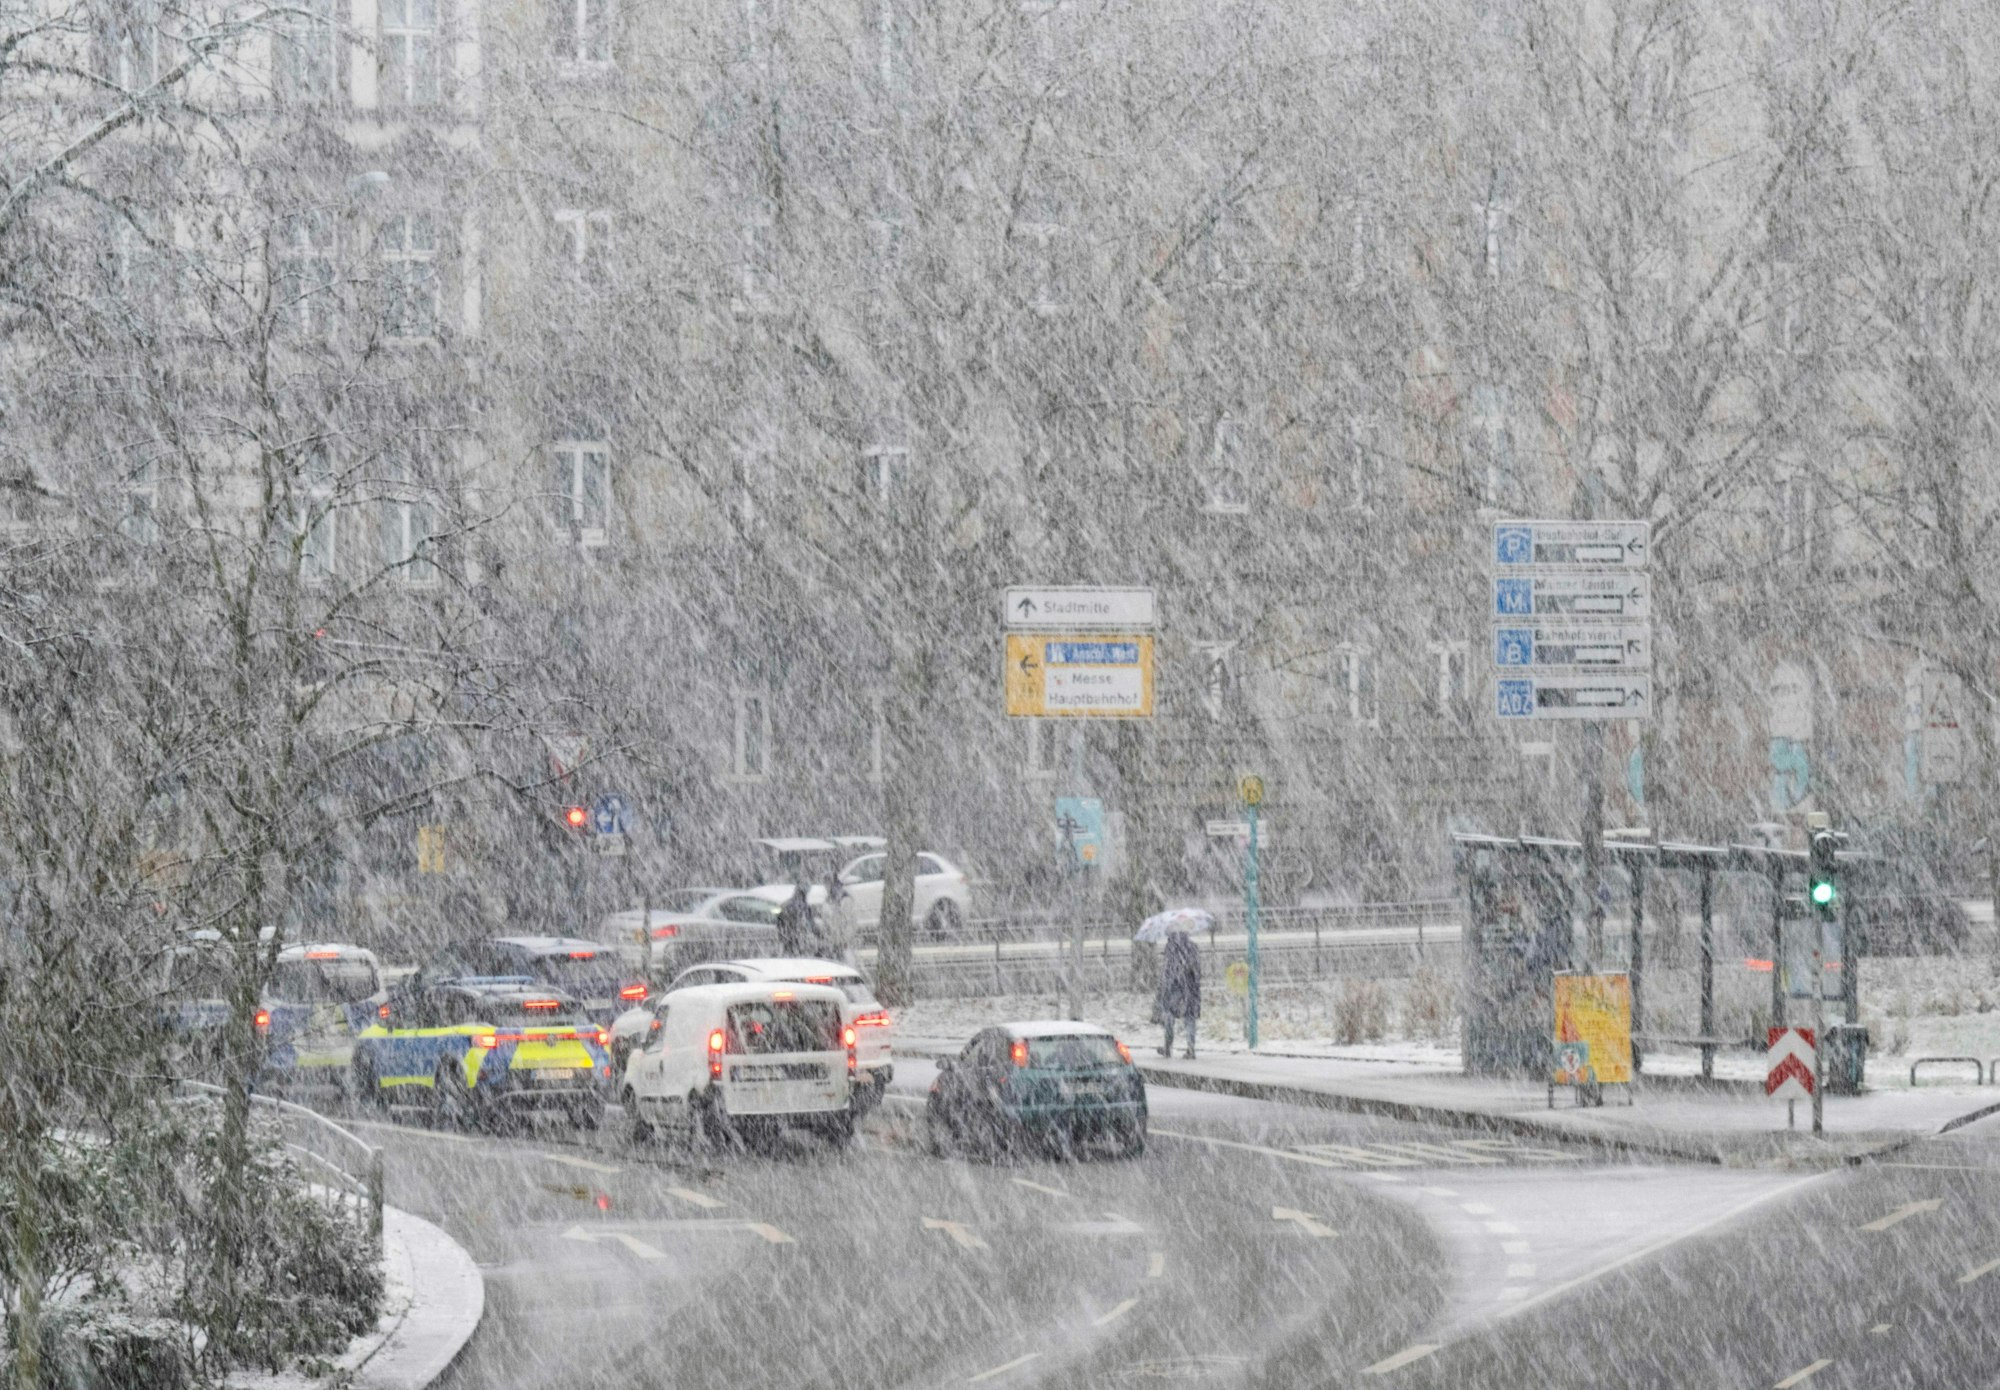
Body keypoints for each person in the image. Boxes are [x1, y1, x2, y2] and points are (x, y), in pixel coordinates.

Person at [1157, 931, 1201, 1059]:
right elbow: (1197, 969)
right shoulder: (1193, 947)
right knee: (1190, 1018)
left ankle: (1167, 1047)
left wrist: (1165, 987)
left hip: (1174, 987)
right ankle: (1191, 1048)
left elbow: (1168, 970)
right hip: (1191, 988)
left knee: (1169, 1017)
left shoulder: (1171, 947)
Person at [776, 881, 813, 956]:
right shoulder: (803, 906)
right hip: (796, 936)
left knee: (790, 955)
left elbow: (779, 920)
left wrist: (782, 934)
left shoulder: (786, 904)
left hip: (790, 936)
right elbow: (807, 921)